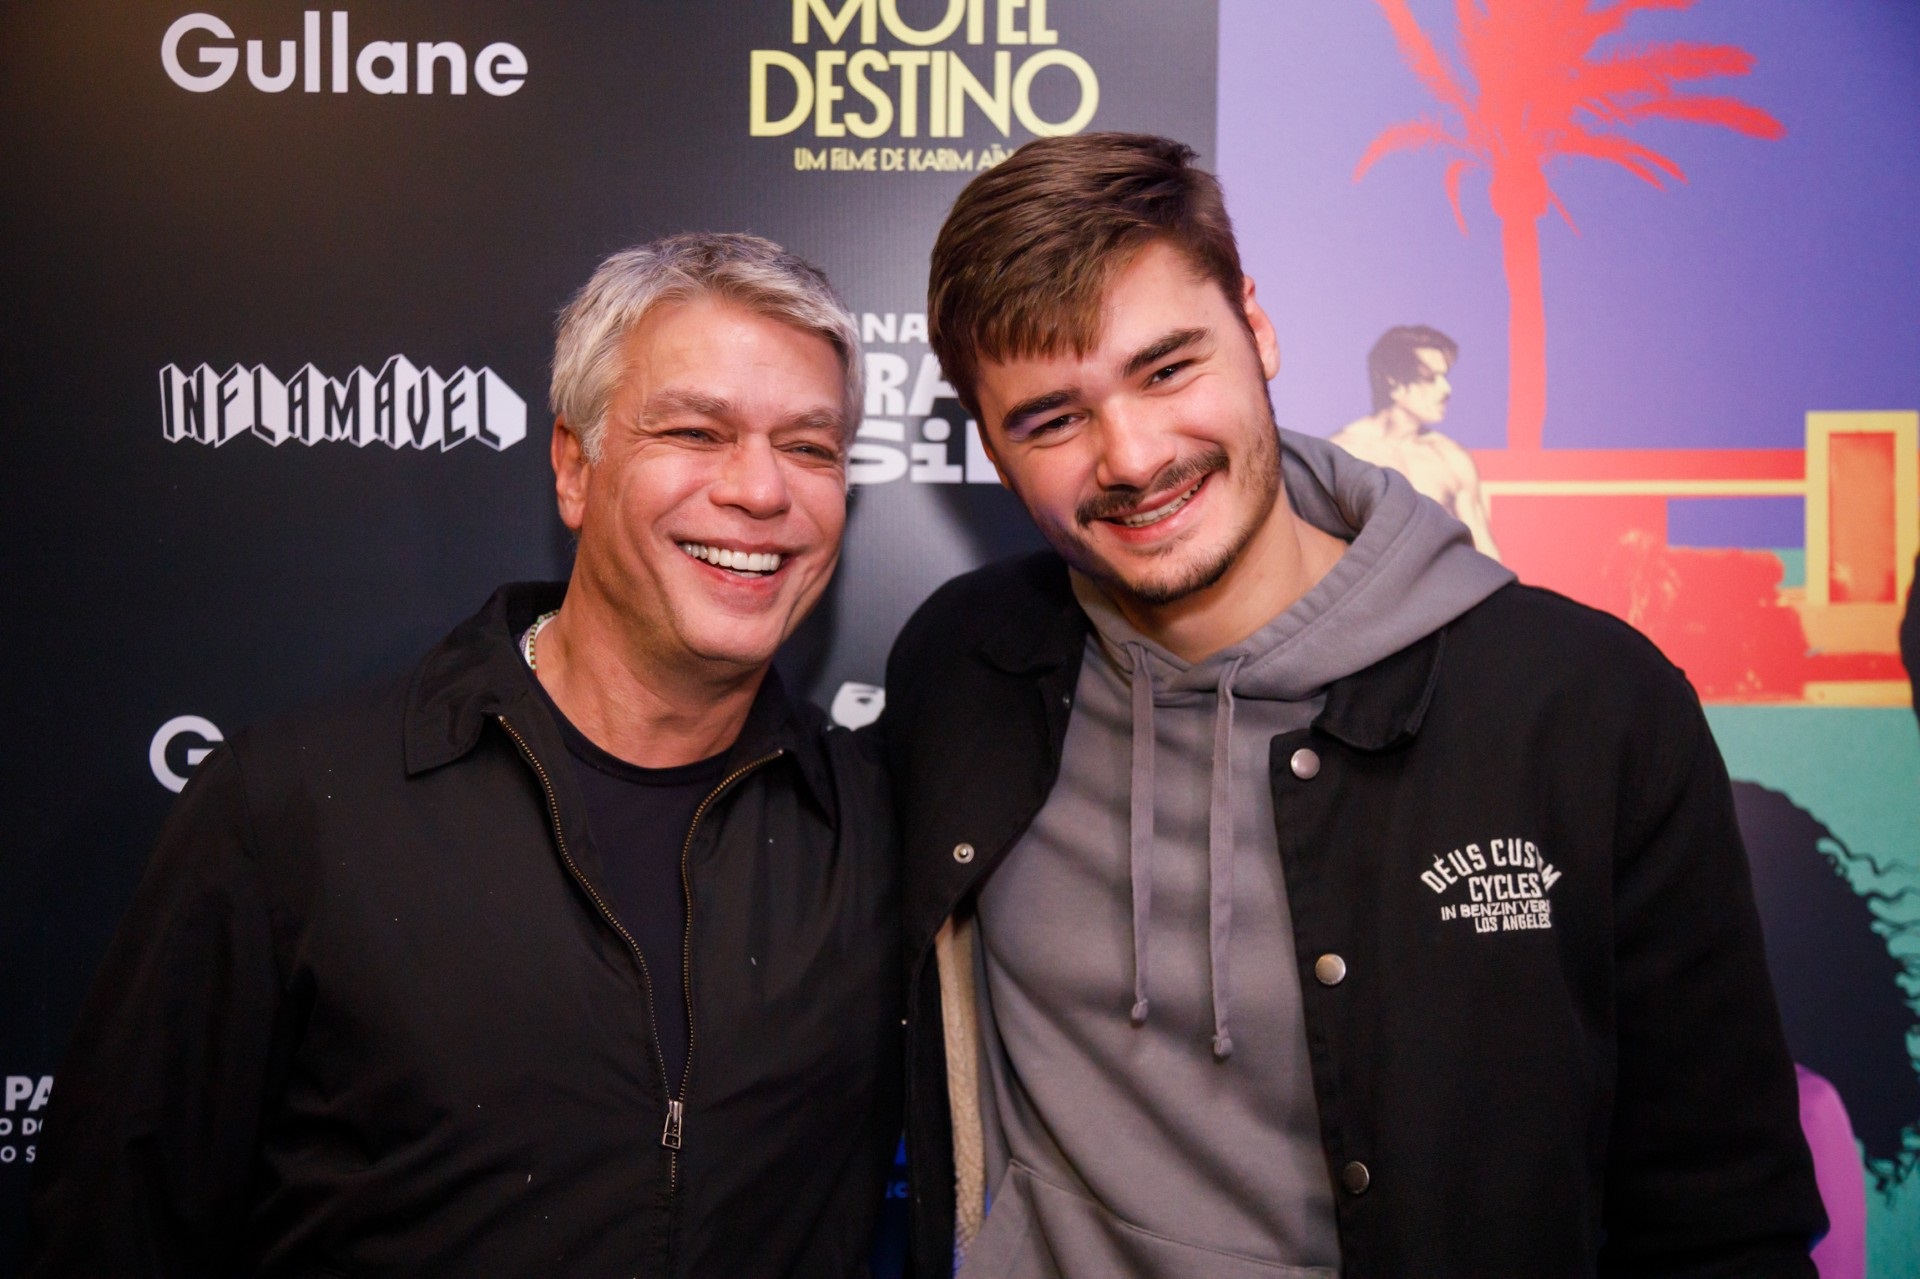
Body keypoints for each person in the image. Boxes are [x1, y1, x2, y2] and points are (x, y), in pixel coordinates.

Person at [884, 134, 1822, 1277]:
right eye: (1051, 419)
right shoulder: (967, 667)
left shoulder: (1583, 704)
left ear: (1258, 328)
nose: (1131, 457)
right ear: (991, 448)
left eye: (1168, 368)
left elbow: (1723, 1210)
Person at [26, 234, 901, 1277]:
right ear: (575, 468)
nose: (761, 490)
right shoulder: (293, 810)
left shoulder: (877, 828)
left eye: (810, 448)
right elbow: (114, 1230)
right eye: (695, 431)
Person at [1330, 325, 1500, 558]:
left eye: (1445, 377)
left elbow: (1485, 553)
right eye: (1430, 379)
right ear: (1394, 381)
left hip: (1444, 591)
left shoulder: (1451, 457)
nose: (1446, 389)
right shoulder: (1342, 454)